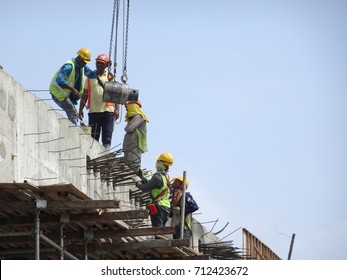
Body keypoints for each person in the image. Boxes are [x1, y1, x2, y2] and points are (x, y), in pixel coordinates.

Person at [78, 53, 120, 149]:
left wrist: (117, 109)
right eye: (98, 63)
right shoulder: (90, 77)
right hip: (94, 111)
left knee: (107, 135)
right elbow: (85, 95)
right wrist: (80, 109)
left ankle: (105, 153)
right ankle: (94, 155)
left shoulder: (110, 77)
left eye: (101, 63)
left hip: (108, 111)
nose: (99, 65)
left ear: (106, 65)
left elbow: (116, 94)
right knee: (94, 136)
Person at [49, 48, 97, 126]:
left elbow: (91, 75)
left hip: (65, 94)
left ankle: (73, 128)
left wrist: (101, 69)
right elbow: (59, 80)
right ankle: (73, 131)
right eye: (84, 62)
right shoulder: (69, 66)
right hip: (58, 93)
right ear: (80, 58)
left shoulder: (82, 67)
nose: (85, 64)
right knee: (73, 113)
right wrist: (73, 89)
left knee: (74, 113)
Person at [132, 152, 174, 227]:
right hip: (166, 209)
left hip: (158, 208)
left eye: (158, 161)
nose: (156, 163)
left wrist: (137, 182)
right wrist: (142, 177)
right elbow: (152, 185)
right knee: (161, 232)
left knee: (157, 232)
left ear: (161, 163)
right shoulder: (166, 177)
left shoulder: (157, 176)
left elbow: (145, 188)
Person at [123, 100, 148, 170]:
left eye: (128, 108)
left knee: (133, 167)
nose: (127, 111)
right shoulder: (133, 118)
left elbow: (129, 128)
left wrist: (127, 126)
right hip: (129, 146)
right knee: (127, 167)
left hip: (134, 147)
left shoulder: (139, 117)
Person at [170, 176, 193, 241]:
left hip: (184, 228)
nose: (174, 183)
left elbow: (194, 207)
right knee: (176, 244)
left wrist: (182, 211)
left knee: (182, 245)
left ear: (182, 185)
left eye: (177, 181)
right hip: (176, 227)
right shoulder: (175, 198)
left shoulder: (186, 196)